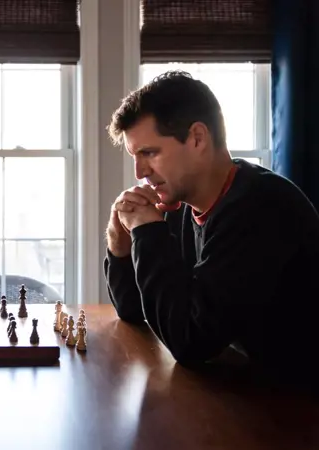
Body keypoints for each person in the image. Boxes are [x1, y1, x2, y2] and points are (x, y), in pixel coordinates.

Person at [104, 70, 319, 383]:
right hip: (245, 392)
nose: (139, 171)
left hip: (296, 409)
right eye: (135, 156)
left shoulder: (262, 208)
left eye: (149, 152)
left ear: (197, 138)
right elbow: (136, 309)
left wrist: (148, 233)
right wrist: (120, 244)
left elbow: (190, 342)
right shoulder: (180, 208)